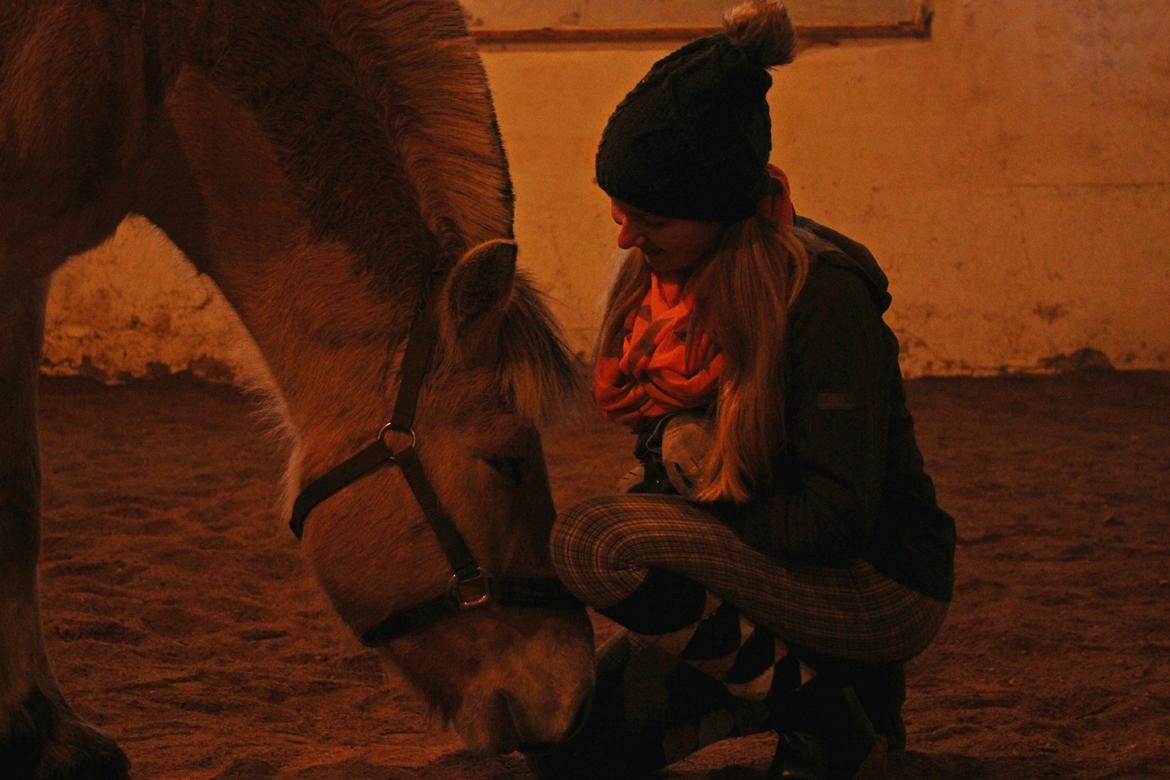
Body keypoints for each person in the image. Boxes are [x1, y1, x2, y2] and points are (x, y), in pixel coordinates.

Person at [526, 2, 956, 778]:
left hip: (875, 586)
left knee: (594, 542)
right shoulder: (668, 288)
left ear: (719, 208)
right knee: (570, 759)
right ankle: (838, 708)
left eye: (649, 217)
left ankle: (829, 716)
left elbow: (832, 526)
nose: (626, 237)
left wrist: (682, 508)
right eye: (619, 213)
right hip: (764, 563)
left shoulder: (822, 299)